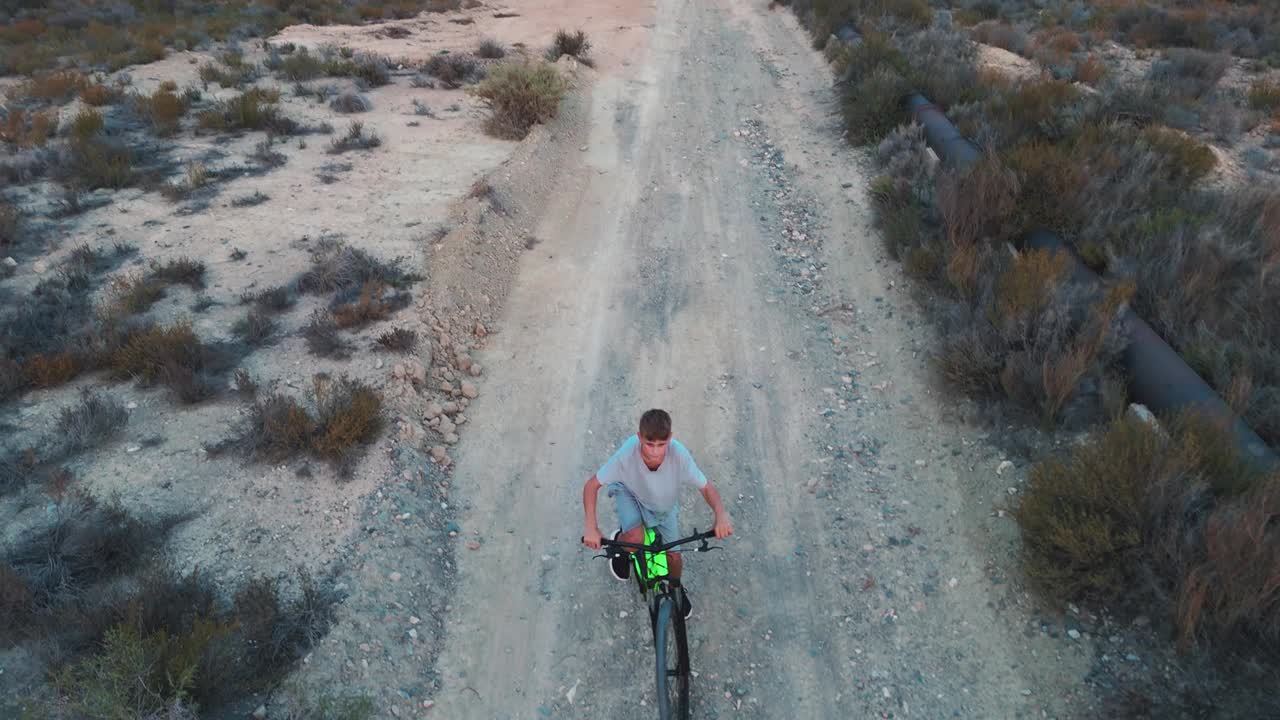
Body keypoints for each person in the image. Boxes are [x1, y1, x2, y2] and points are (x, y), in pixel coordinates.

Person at [581, 408, 733, 618]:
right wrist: (591, 526)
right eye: (649, 444)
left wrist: (721, 514)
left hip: (662, 505)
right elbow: (591, 486)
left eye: (661, 445)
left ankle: (675, 588)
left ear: (670, 438)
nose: (654, 451)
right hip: (630, 492)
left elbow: (706, 487)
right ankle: (621, 544)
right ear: (639, 437)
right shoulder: (626, 456)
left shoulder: (679, 455)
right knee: (635, 538)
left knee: (675, 558)